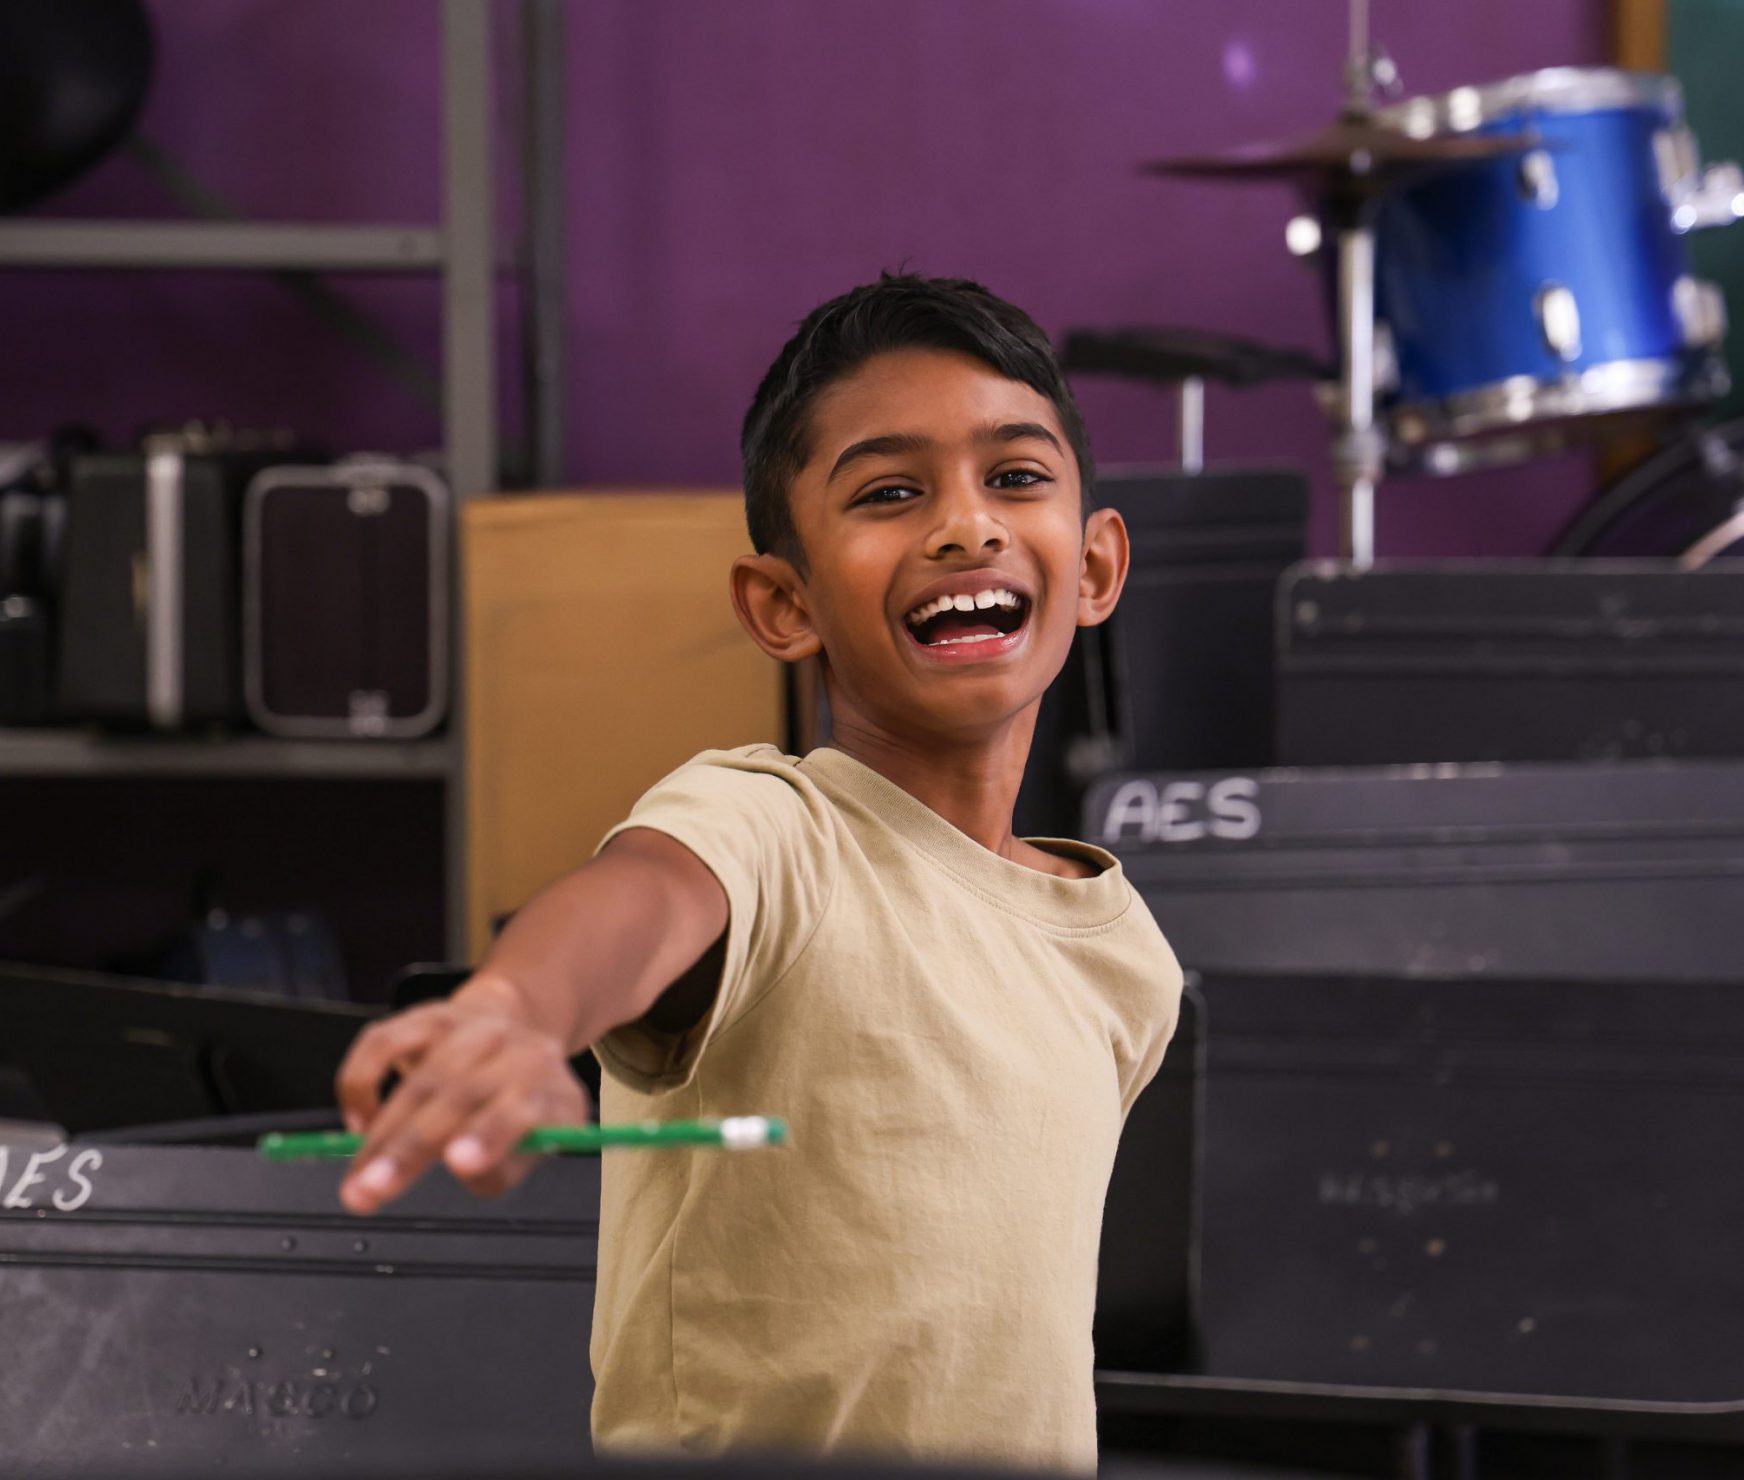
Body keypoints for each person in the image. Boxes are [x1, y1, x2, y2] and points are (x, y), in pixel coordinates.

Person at [333, 273, 1183, 1473]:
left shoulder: (1118, 948)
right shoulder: (773, 826)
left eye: (1015, 476)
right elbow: (639, 899)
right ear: (781, 603)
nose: (966, 525)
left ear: (1094, 567)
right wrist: (513, 1012)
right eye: (890, 492)